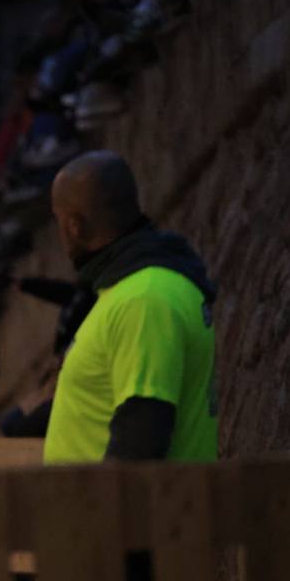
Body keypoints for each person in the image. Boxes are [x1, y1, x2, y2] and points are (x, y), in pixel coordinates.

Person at [43, 150, 217, 463]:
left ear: (74, 226)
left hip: (128, 499)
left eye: (58, 221)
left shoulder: (142, 300)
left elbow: (141, 438)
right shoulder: (131, 290)